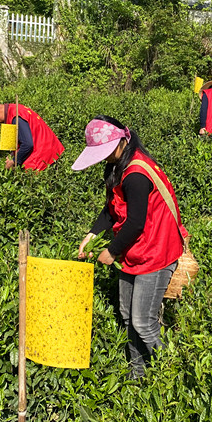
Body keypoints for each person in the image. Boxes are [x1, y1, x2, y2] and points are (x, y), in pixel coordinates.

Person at [73, 116, 184, 378]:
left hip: (154, 250)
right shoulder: (116, 167)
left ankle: (173, 373)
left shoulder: (135, 174)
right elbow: (111, 209)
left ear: (121, 142)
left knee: (143, 323)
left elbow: (135, 222)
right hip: (133, 249)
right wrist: (92, 234)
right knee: (126, 314)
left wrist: (110, 251)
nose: (103, 158)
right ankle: (138, 373)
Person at [0, 99, 64, 170]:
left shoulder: (16, 117)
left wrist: (14, 161)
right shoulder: (12, 108)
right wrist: (12, 154)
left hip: (44, 155)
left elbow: (27, 144)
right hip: (51, 149)